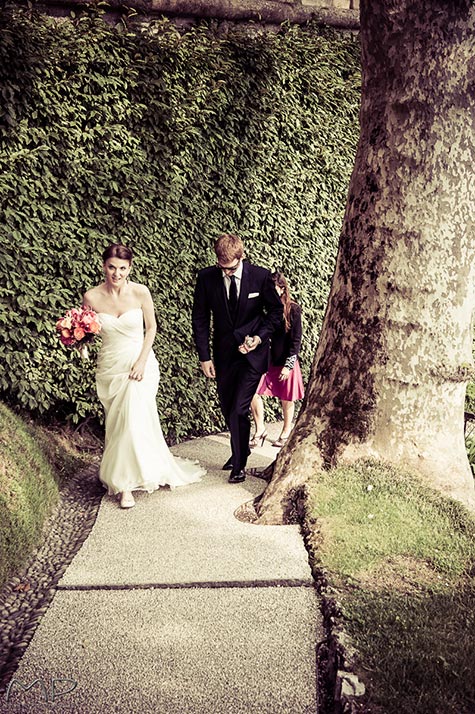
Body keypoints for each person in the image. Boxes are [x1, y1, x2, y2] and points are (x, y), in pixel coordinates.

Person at [83, 243, 204, 509]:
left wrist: (141, 361)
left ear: (130, 268)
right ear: (104, 265)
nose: (117, 273)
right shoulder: (91, 297)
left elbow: (151, 328)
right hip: (110, 365)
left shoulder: (140, 292)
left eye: (123, 268)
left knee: (132, 417)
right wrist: (77, 338)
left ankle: (125, 485)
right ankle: (127, 469)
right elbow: (88, 331)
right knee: (117, 422)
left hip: (140, 364)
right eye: (112, 267)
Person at [192, 233, 283, 483]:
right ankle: (240, 449)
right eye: (222, 267)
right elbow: (200, 318)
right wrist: (204, 357)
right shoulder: (206, 278)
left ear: (241, 257)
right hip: (222, 355)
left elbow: (275, 312)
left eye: (231, 268)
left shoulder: (261, 276)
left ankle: (239, 465)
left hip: (253, 357)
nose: (227, 272)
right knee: (227, 407)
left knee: (239, 409)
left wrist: (259, 337)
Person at [250, 270, 304, 448]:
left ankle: (286, 431)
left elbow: (296, 341)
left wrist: (288, 366)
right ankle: (260, 430)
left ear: (282, 289)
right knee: (252, 391)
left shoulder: (293, 310)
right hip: (267, 359)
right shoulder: (265, 308)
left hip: (286, 360)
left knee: (286, 397)